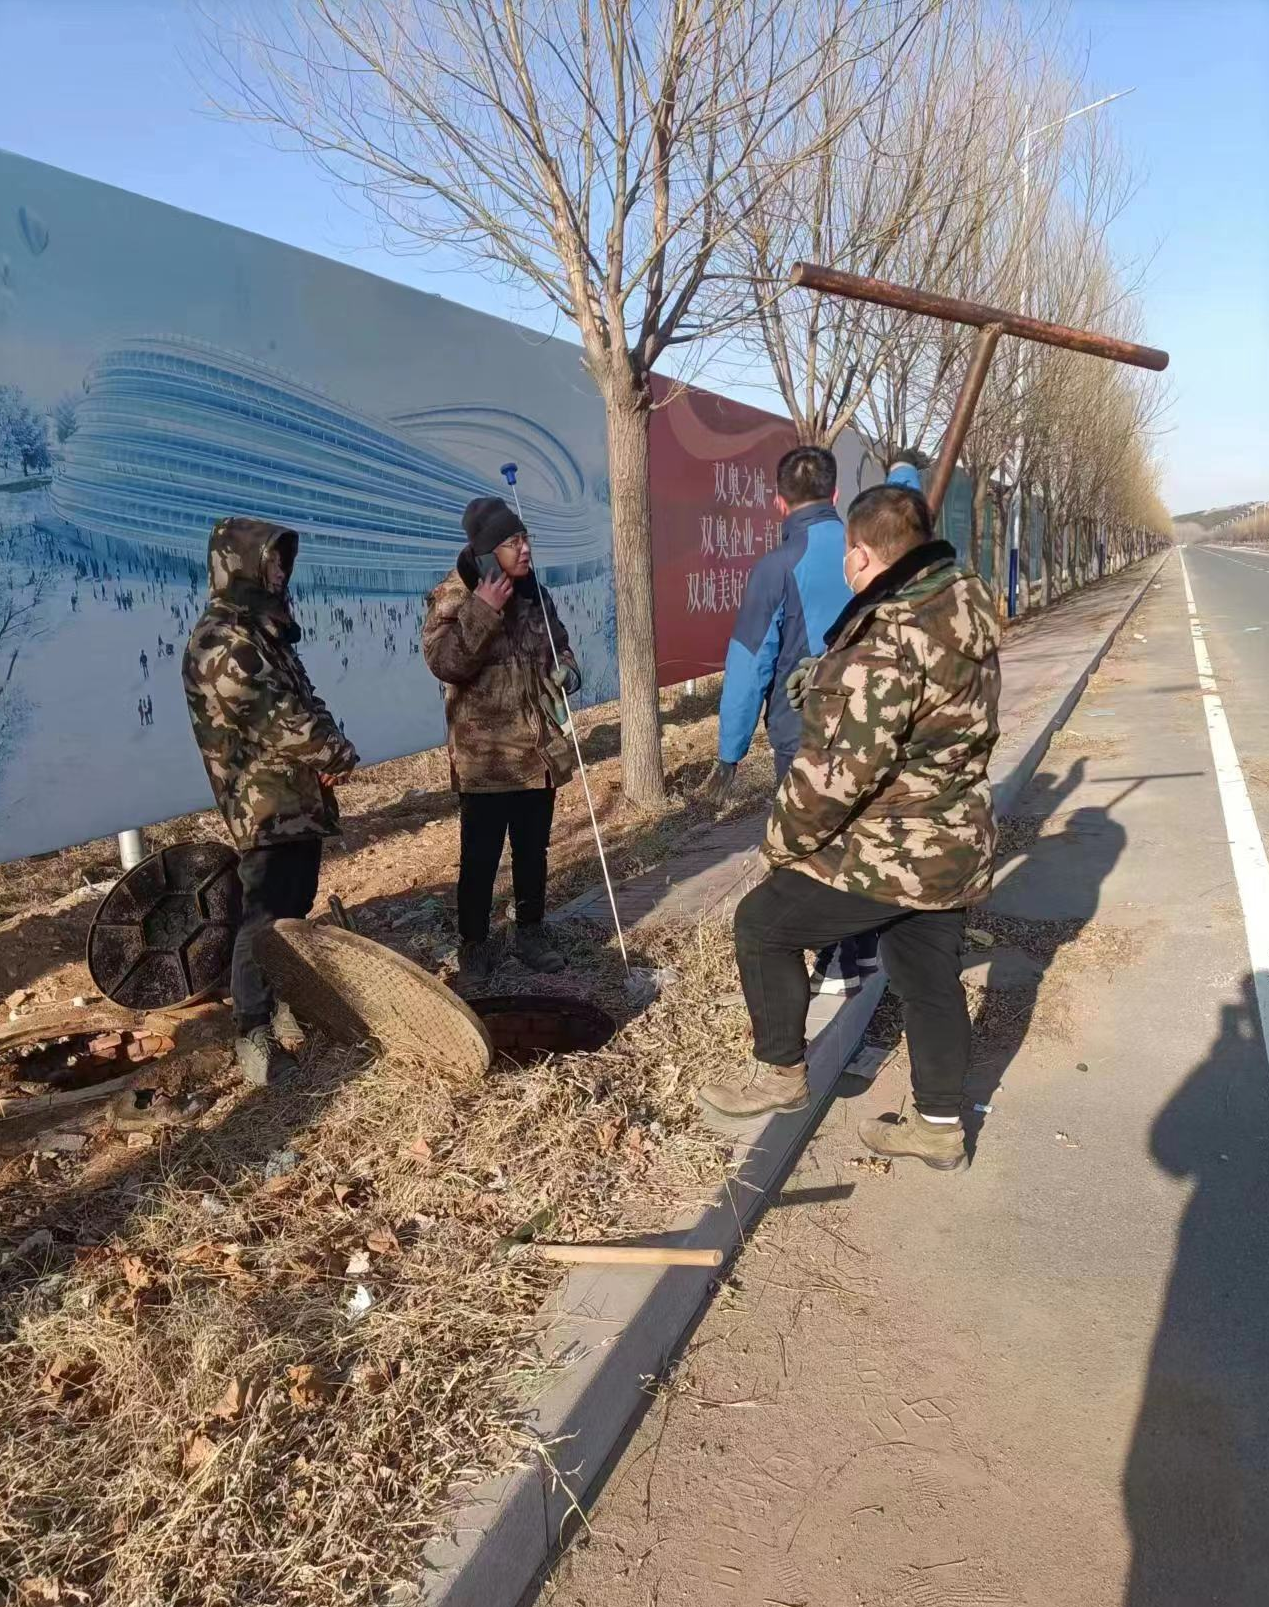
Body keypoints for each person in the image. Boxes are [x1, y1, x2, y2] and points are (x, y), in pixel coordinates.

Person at [699, 483, 1001, 1172]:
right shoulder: (960, 603)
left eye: (847, 555)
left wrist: (781, 843)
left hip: (895, 846)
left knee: (761, 924)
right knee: (926, 973)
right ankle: (939, 1127)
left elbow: (838, 774)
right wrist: (829, 679)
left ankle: (779, 1073)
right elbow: (919, 704)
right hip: (957, 836)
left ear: (860, 555)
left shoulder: (886, 638)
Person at [704, 444, 893, 997]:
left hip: (806, 730)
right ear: (836, 494)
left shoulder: (777, 567)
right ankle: (866, 946)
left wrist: (730, 752)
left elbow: (749, 662)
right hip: (877, 722)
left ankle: (837, 960)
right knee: (862, 830)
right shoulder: (874, 555)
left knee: (813, 844)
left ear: (778, 502)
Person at [183, 517, 358, 1086]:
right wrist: (333, 753)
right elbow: (280, 717)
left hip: (293, 799)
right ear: (242, 564)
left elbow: (305, 699)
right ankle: (251, 1031)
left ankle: (284, 1002)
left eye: (284, 562)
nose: (282, 572)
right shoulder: (225, 640)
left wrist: (326, 753)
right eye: (272, 561)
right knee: (261, 921)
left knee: (293, 908)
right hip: (263, 807)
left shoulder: (261, 630)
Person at [423, 495, 580, 984]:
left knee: (533, 852)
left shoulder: (535, 593)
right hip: (485, 760)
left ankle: (530, 931)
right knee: (480, 859)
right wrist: (483, 611)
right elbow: (445, 664)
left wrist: (567, 672)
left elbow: (561, 644)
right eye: (514, 542)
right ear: (489, 552)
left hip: (537, 752)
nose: (525, 548)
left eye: (526, 538)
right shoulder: (452, 598)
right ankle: (474, 944)